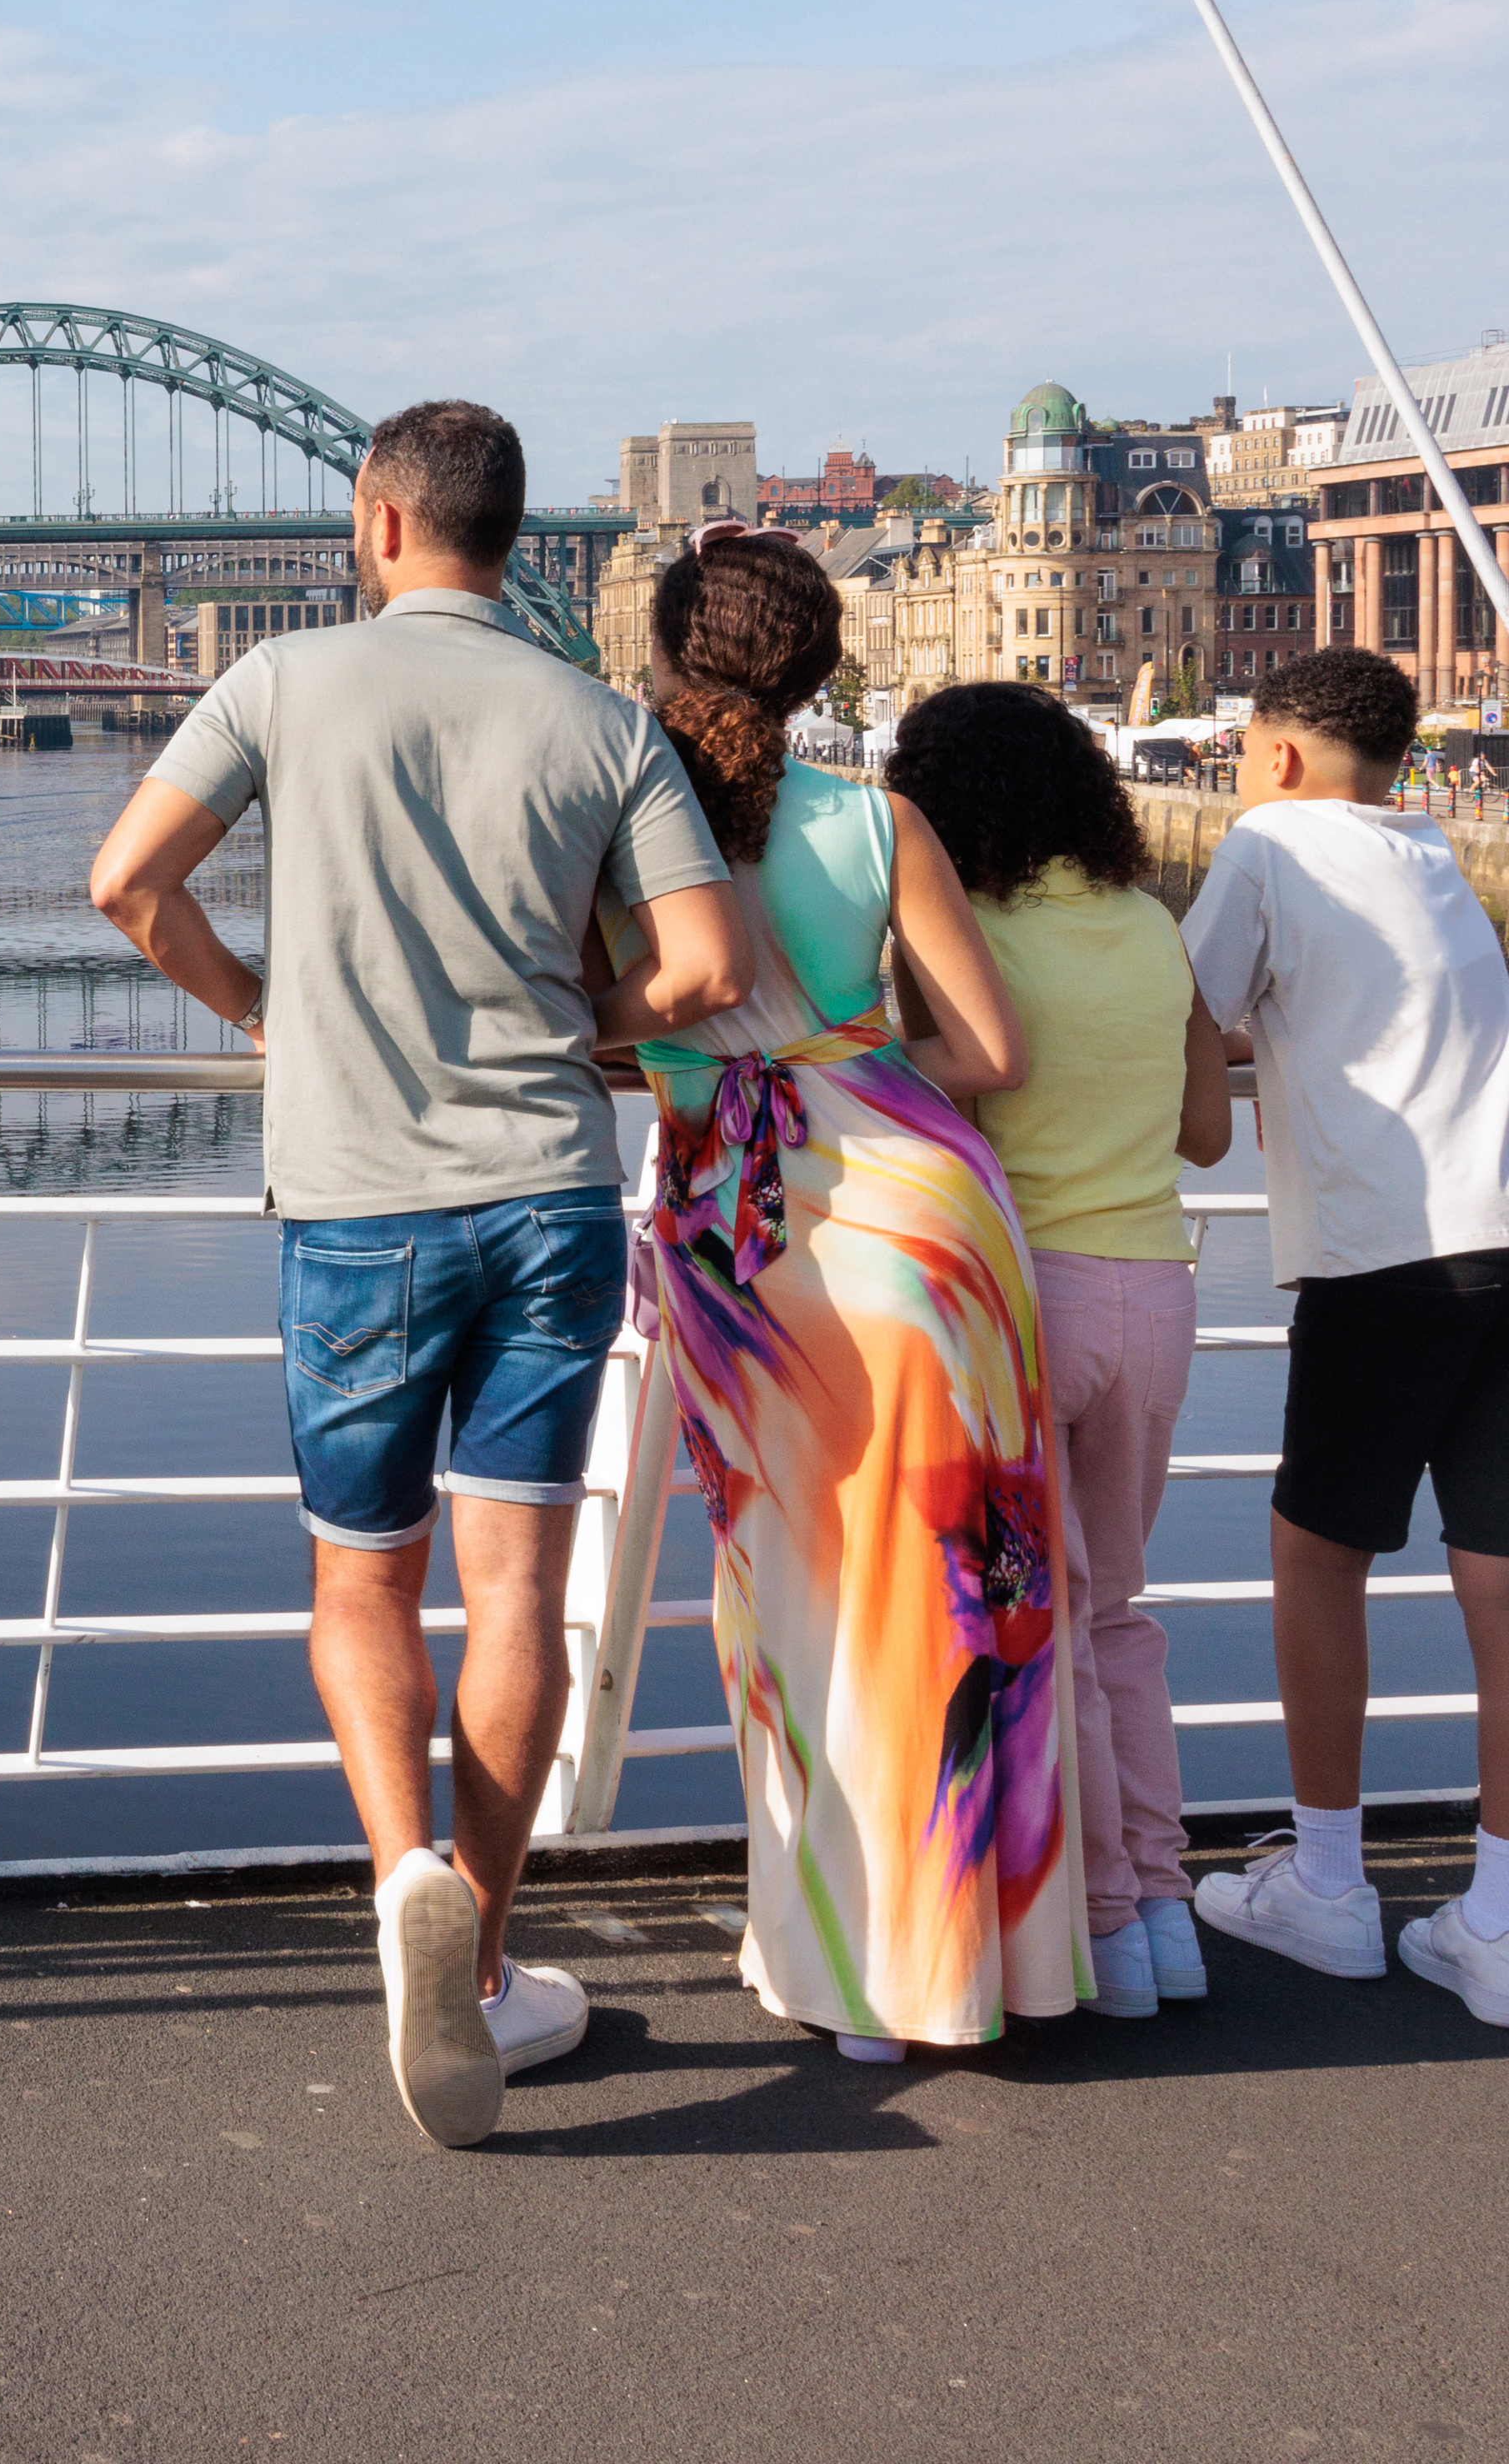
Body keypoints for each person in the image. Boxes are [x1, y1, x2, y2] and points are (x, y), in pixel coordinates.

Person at [88, 401, 752, 2148]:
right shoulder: (602, 719)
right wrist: (579, 1020)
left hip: (353, 1204)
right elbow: (700, 965)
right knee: (515, 1587)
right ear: (508, 536)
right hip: (545, 1194)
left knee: (360, 1583)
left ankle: (401, 1880)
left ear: (380, 523)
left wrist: (255, 1007)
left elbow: (123, 880)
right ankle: (483, 1961)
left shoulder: (281, 683)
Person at [628, 532, 1088, 2062]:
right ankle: (973, 1967)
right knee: (965, 1601)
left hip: (750, 1246)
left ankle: (845, 1974)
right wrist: (838, 1071)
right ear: (823, 667)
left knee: (796, 1596)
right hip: (930, 1225)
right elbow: (991, 1057)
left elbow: (602, 1031)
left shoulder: (628, 833)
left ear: (667, 660)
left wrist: (715, 1073)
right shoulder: (878, 821)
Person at [1182, 646, 1509, 2029]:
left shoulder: (1264, 842)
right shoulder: (1428, 849)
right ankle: (1499, 1928)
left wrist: (1235, 1074)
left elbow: (1182, 1015)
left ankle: (1325, 1884)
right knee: (1506, 1584)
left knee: (1316, 1555)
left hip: (1395, 1248)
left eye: (1247, 750)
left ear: (1283, 756)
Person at [882, 681, 1238, 2017]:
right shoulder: (1152, 926)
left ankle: (1102, 1933)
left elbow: (942, 1080)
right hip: (1156, 1290)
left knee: (1050, 1629)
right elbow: (1206, 1135)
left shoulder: (956, 929)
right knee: (1119, 1615)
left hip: (1027, 1295)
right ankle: (1167, 1907)